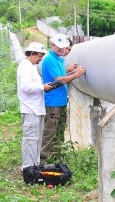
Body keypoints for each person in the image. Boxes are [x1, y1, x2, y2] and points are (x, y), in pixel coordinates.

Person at [41, 34, 86, 164]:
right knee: (50, 133)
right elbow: (59, 80)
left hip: (60, 102)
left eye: (64, 48)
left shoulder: (58, 59)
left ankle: (56, 159)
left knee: (59, 132)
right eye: (60, 48)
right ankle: (43, 163)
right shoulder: (50, 59)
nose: (63, 50)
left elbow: (59, 74)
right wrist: (76, 74)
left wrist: (69, 70)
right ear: (52, 45)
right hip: (53, 103)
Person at [17, 42, 53, 171]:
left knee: (36, 139)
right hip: (30, 108)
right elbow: (25, 87)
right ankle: (27, 168)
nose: (41, 59)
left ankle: (35, 166)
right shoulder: (25, 67)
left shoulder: (31, 65)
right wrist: (43, 87)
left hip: (36, 108)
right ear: (32, 54)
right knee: (30, 139)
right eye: (39, 56)